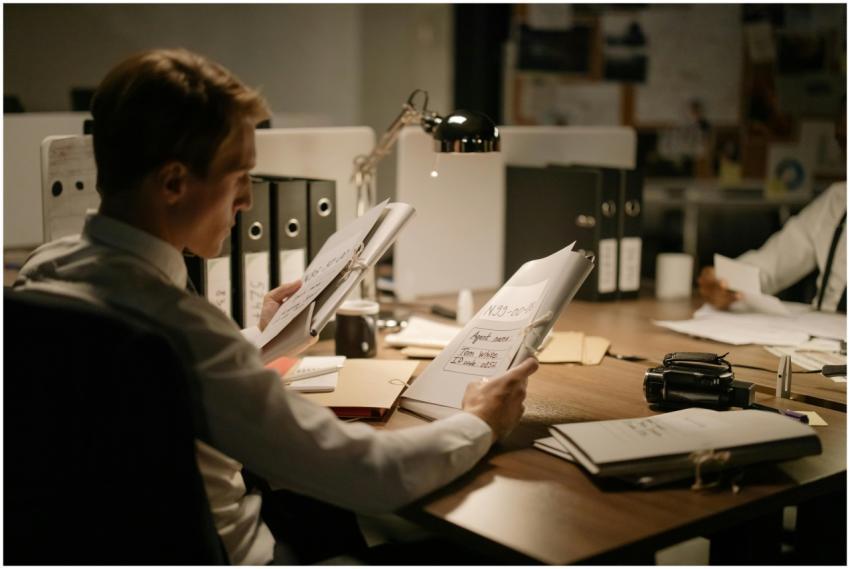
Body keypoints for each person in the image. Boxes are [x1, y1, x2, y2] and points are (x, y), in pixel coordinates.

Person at [13, 49, 537, 565]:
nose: (246, 200)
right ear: (173, 182)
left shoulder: (45, 275)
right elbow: (371, 475)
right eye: (239, 176)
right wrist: (481, 421)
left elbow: (176, 388)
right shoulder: (182, 332)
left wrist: (260, 340)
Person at [698, 101, 847, 313]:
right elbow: (771, 264)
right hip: (818, 343)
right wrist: (725, 281)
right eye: (842, 141)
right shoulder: (838, 201)